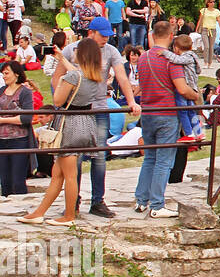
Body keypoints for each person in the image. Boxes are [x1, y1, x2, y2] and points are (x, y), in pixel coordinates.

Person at [52, 15, 140, 218]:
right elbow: (58, 76)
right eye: (102, 35)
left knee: (99, 156)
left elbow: (121, 76)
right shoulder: (71, 49)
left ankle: (97, 201)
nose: (106, 39)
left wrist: (131, 101)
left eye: (109, 35)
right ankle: (72, 201)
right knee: (75, 157)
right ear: (91, 32)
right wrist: (61, 100)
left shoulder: (111, 51)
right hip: (77, 110)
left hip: (100, 109)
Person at [20, 40, 110, 227]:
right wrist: (61, 58)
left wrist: (60, 79)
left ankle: (69, 215)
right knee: (57, 174)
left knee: (69, 175)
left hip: (69, 125)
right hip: (84, 123)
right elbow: (76, 73)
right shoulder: (94, 76)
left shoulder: (72, 77)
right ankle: (39, 212)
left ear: (83, 55)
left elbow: (57, 100)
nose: (74, 53)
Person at [132, 20, 198, 217]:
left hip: (148, 113)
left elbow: (141, 85)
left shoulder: (143, 58)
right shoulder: (172, 60)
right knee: (164, 161)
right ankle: (157, 204)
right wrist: (196, 95)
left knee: (150, 158)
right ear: (171, 36)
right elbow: (181, 88)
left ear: (152, 35)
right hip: (167, 113)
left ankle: (141, 200)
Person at [0, 61, 35, 196]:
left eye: (7, 73)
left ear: (16, 74)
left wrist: (3, 120)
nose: (4, 76)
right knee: (5, 180)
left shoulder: (25, 92)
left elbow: (27, 118)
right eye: (3, 73)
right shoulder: (1, 91)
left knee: (18, 179)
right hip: (2, 140)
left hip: (19, 140)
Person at [163, 33, 204, 140]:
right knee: (191, 110)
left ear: (176, 48)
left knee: (183, 111)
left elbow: (177, 60)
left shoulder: (186, 57)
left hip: (186, 86)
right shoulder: (193, 56)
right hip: (192, 86)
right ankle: (198, 133)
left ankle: (189, 133)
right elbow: (198, 70)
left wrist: (165, 53)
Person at [197, 0, 220, 64]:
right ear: (207, 3)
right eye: (211, 2)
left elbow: (219, 21)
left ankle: (210, 62)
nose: (212, 3)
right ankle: (205, 62)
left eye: (213, 2)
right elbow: (200, 20)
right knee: (206, 46)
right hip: (205, 29)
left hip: (213, 29)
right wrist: (197, 28)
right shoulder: (204, 10)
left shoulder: (216, 11)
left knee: (211, 47)